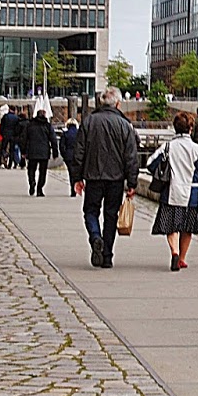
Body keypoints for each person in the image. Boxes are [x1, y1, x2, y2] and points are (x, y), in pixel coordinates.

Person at [69, 87, 139, 269]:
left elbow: (79, 152)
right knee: (111, 216)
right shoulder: (125, 125)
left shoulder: (89, 121)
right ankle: (107, 255)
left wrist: (77, 177)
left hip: (93, 176)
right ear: (117, 103)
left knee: (91, 211)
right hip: (116, 177)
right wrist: (132, 183)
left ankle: (95, 236)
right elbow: (131, 157)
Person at [149, 111, 198, 272]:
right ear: (190, 128)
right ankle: (182, 258)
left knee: (171, 225)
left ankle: (174, 252)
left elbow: (151, 163)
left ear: (175, 128)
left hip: (170, 190)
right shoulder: (196, 149)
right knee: (188, 227)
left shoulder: (168, 147)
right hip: (191, 192)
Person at [22, 109, 57, 196]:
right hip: (44, 151)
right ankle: (39, 188)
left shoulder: (30, 125)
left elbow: (24, 138)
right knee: (43, 171)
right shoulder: (47, 126)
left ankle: (32, 182)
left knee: (31, 169)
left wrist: (23, 151)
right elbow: (53, 139)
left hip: (32, 151)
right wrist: (55, 151)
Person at [58, 118, 81, 197]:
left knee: (71, 173)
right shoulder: (79, 134)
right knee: (77, 172)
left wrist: (64, 154)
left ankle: (72, 189)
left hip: (69, 155)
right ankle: (77, 187)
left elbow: (61, 146)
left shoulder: (65, 134)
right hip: (78, 155)